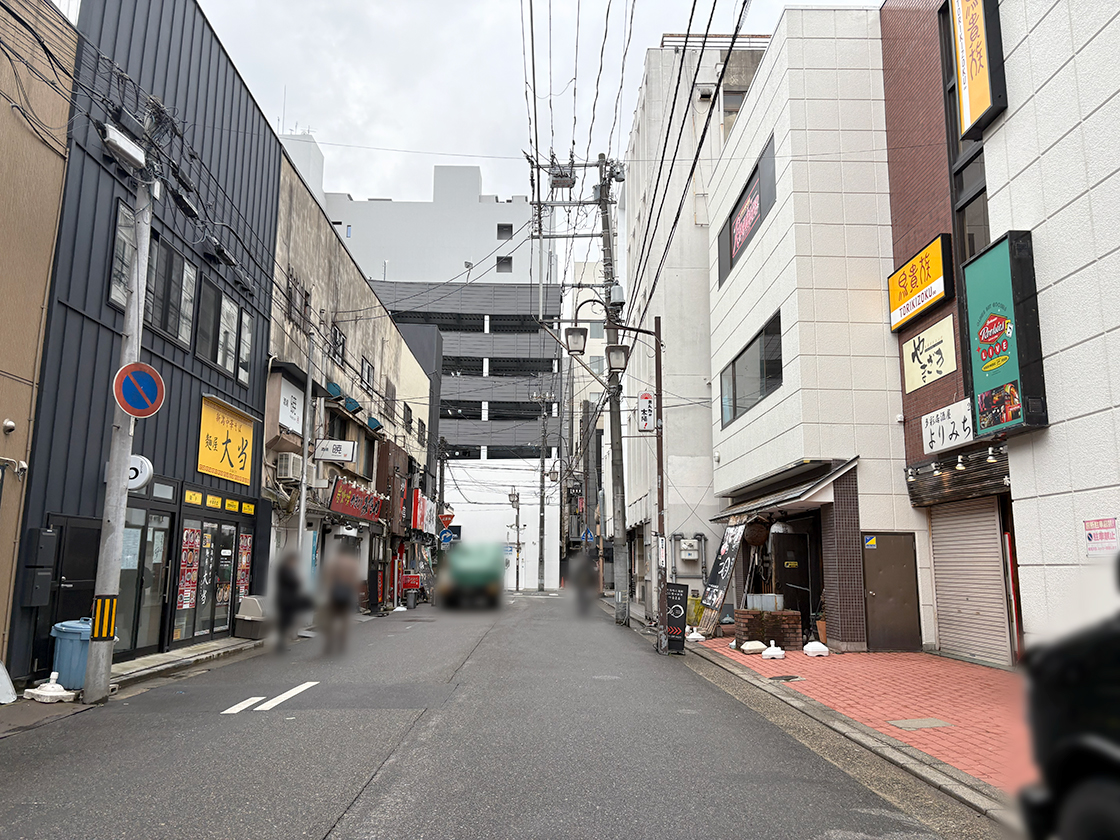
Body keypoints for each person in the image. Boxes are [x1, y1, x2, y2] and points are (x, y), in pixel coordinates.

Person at [322, 546, 359, 656]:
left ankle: (329, 644)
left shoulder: (334, 563)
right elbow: (354, 581)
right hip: (347, 593)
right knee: (344, 620)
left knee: (330, 619)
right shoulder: (352, 564)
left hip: (335, 593)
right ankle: (342, 644)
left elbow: (328, 579)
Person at [275, 551, 308, 652]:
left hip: (287, 598)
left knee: (286, 621)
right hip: (285, 599)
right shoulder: (285, 570)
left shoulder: (287, 569)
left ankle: (282, 643)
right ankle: (280, 644)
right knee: (284, 621)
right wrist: (298, 580)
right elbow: (294, 582)